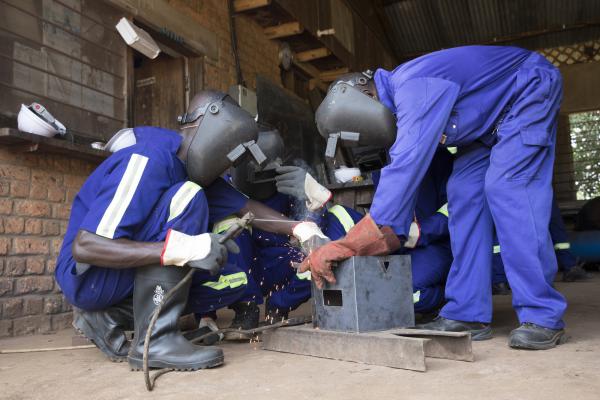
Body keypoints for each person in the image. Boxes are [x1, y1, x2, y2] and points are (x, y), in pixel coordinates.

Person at [305, 45, 568, 350]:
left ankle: (542, 314)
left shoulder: (413, 87)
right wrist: (365, 246)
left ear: (364, 96)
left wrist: (344, 245)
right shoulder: (406, 101)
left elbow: (403, 172)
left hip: (526, 92)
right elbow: (395, 218)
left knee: (507, 186)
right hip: (486, 127)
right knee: (464, 194)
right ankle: (468, 312)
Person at [55, 92, 326, 370]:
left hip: (120, 278)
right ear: (209, 126)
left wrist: (303, 228)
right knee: (190, 196)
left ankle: (106, 318)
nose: (230, 164)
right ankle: (157, 341)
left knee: (233, 281)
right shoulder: (149, 158)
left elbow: (248, 209)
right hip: (90, 277)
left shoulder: (196, 174)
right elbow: (86, 246)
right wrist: (179, 249)